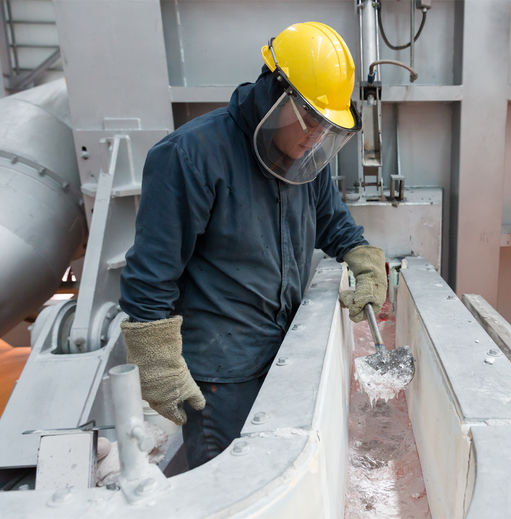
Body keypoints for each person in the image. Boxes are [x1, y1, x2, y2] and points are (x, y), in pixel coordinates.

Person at [119, 21, 387, 469]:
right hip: (219, 377)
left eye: (327, 129)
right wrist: (158, 365)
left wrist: (363, 258)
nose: (315, 138)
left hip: (284, 355)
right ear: (275, 95)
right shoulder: (190, 156)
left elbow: (332, 223)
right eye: (311, 121)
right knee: (230, 484)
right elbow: (151, 275)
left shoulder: (303, 158)